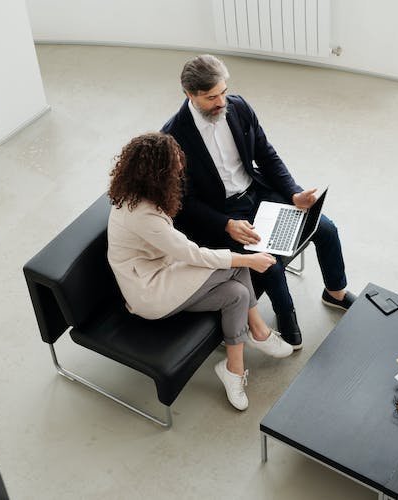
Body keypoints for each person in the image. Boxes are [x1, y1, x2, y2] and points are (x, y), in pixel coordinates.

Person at [161, 54, 357, 350]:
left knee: (325, 228)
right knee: (269, 263)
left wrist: (293, 193)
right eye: (211, 97)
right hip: (222, 212)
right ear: (189, 94)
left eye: (223, 92)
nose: (221, 102)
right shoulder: (172, 137)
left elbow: (266, 154)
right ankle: (285, 314)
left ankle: (335, 292)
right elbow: (182, 202)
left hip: (258, 191)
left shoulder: (238, 106)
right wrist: (225, 225)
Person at [106, 132, 294, 411]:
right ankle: (259, 331)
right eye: (173, 167)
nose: (180, 170)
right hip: (150, 292)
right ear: (156, 174)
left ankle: (233, 369)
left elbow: (180, 251)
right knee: (236, 264)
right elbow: (192, 254)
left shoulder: (144, 196)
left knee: (237, 294)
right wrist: (249, 261)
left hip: (166, 272)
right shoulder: (142, 215)